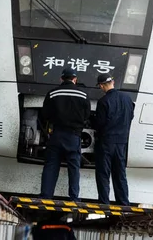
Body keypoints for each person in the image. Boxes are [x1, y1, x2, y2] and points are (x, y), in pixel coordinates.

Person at [39, 67, 91, 201]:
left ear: (61, 79)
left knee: (51, 165)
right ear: (75, 79)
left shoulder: (52, 93)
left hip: (56, 134)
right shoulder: (83, 95)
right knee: (74, 167)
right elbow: (86, 116)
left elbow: (45, 114)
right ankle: (74, 197)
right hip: (74, 136)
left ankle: (46, 195)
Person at [92, 74, 135, 206]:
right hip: (122, 142)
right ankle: (123, 202)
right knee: (120, 173)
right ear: (113, 82)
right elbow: (130, 117)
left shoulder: (103, 102)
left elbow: (99, 123)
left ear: (101, 85)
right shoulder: (128, 99)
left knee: (103, 173)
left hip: (106, 142)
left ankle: (104, 202)